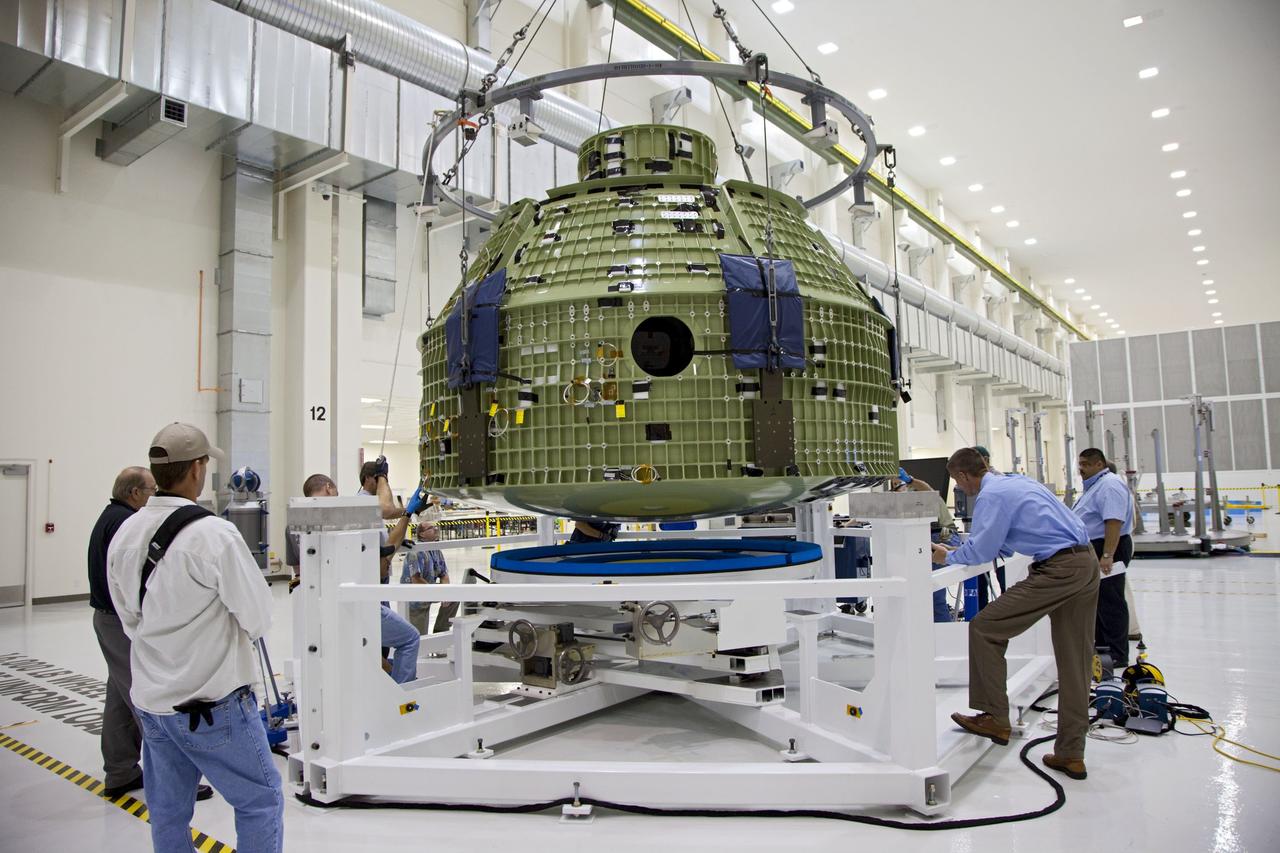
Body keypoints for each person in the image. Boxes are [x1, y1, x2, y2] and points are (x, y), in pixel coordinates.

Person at [106, 423, 281, 852]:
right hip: (212, 706)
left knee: (167, 812)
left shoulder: (125, 534)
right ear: (198, 469)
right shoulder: (214, 535)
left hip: (152, 704)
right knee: (260, 801)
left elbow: (130, 621)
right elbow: (258, 616)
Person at [932, 447, 1099, 781]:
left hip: (1059, 569)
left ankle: (994, 716)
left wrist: (945, 557)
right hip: (1085, 562)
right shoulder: (1015, 483)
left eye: (956, 482)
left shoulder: (991, 496)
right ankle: (1071, 754)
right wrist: (961, 550)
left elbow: (983, 549)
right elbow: (1004, 543)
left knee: (984, 627)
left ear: (964, 475)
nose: (959, 489)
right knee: (1075, 662)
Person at [90, 467, 216, 801]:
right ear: (133, 493)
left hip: (108, 620)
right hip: (120, 622)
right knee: (149, 703)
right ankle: (177, 781)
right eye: (150, 489)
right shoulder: (125, 524)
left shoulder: (111, 516)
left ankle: (120, 771)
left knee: (120, 698)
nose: (155, 495)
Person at [293, 473, 426, 683]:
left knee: (366, 647)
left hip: (320, 605)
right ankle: (401, 699)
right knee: (409, 638)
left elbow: (298, 571)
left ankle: (385, 685)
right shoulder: (340, 512)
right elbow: (386, 509)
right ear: (328, 487)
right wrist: (383, 479)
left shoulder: (300, 518)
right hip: (355, 602)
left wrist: (408, 511)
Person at [1073, 449, 1133, 668]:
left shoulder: (1110, 485)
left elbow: (1113, 522)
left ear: (1099, 464)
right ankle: (1102, 647)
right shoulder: (1095, 485)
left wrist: (1107, 555)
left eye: (1086, 464)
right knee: (1097, 601)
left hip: (1108, 547)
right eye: (1080, 464)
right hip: (1096, 547)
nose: (1081, 469)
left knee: (1111, 601)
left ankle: (1118, 653)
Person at [894, 468, 959, 622]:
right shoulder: (901, 501)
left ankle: (942, 632)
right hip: (923, 540)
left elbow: (927, 489)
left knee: (933, 593)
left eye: (899, 485)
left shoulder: (922, 494)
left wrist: (910, 480)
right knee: (917, 592)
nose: (897, 488)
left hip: (943, 535)